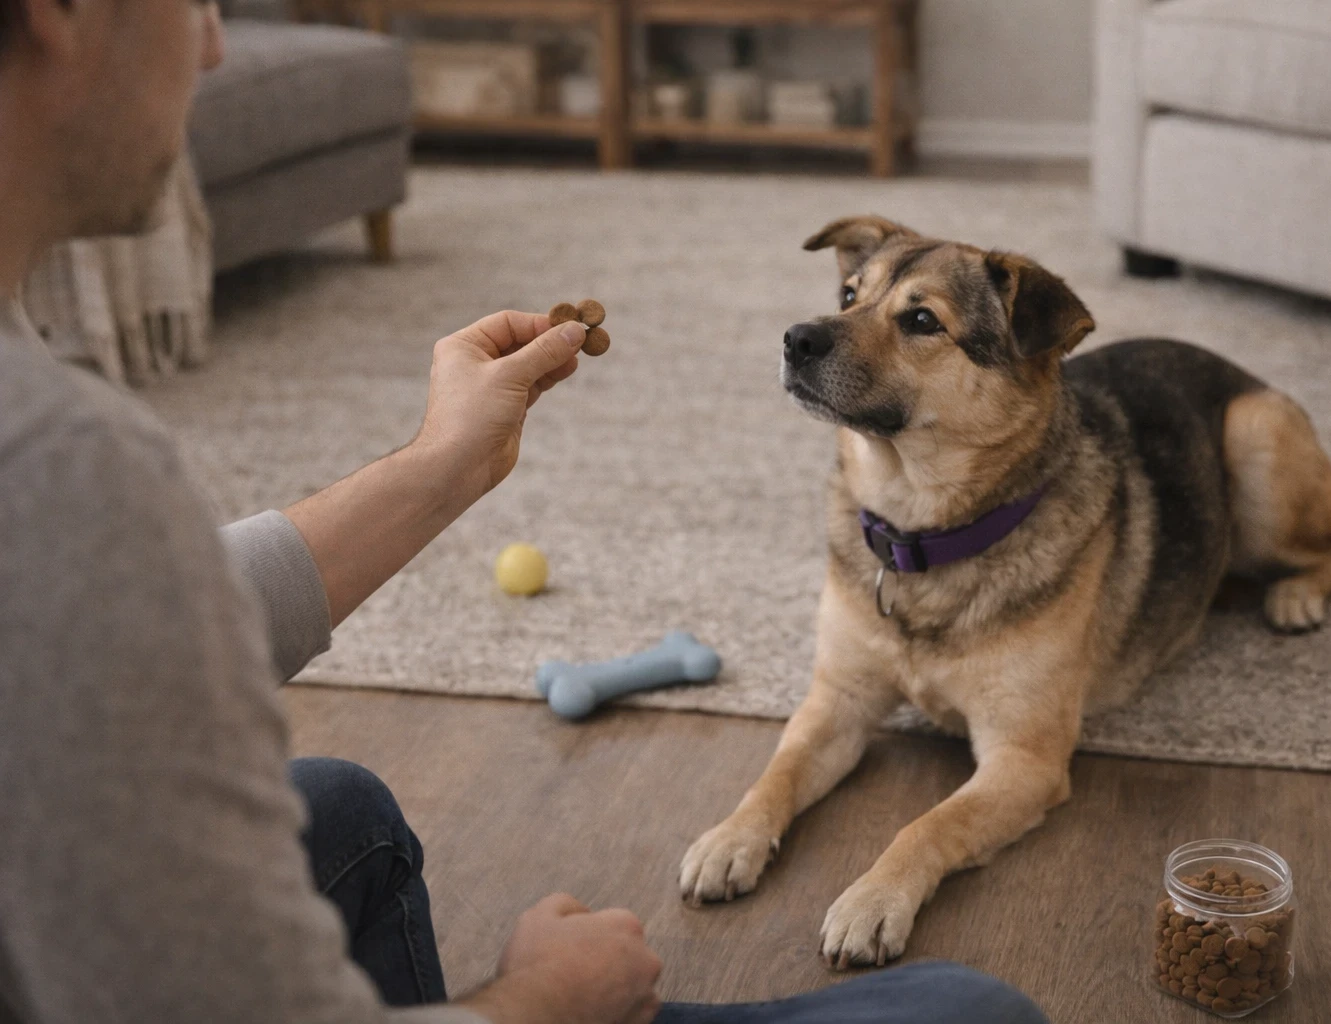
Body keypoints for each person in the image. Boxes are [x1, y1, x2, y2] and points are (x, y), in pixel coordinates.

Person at [0, 2, 1051, 1023]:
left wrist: (444, 463)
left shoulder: (42, 445)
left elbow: (122, 632)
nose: (219, 43)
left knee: (344, 806)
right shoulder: (64, 464)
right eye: (195, 1)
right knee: (976, 1007)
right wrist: (543, 999)